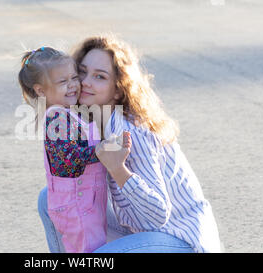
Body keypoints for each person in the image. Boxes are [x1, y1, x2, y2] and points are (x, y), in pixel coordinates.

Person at [37, 36, 222, 253]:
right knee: (49, 198)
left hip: (180, 238)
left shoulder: (131, 131)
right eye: (82, 72)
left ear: (117, 89)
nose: (86, 82)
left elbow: (157, 216)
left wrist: (119, 170)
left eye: (100, 77)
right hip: (139, 230)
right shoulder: (91, 121)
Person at [18, 46, 132, 253]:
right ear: (41, 90)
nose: (72, 86)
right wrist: (103, 149)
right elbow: (66, 162)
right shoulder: (57, 117)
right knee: (88, 250)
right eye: (63, 82)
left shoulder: (71, 113)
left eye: (73, 78)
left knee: (93, 247)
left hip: (86, 202)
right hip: (75, 206)